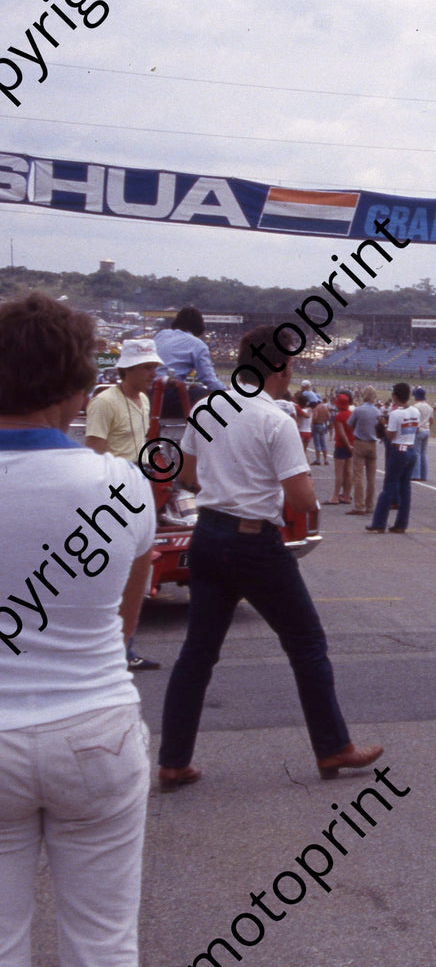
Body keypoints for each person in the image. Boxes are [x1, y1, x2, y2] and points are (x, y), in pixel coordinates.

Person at [0, 293, 154, 966]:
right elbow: (127, 615)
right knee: (103, 942)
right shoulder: (122, 485)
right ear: (75, 389)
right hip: (94, 724)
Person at [162, 323, 382, 788]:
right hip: (254, 541)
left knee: (197, 654)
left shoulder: (207, 408)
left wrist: (227, 484)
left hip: (209, 534)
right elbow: (302, 500)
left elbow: (188, 474)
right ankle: (332, 746)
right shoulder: (275, 420)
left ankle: (174, 759)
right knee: (307, 643)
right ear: (279, 366)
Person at [83, 337, 165, 672]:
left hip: (137, 487)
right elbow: (93, 452)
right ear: (127, 368)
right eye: (146, 367)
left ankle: (124, 647)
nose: (152, 374)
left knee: (135, 572)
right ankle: (107, 650)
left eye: (154, 367)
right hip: (112, 493)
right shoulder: (104, 402)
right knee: (110, 572)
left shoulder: (143, 400)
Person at [367, 383, 420, 534]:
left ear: (395, 396)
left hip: (399, 450)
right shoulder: (415, 411)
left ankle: (379, 522)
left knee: (388, 487)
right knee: (405, 488)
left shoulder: (396, 414)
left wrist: (384, 425)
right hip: (411, 449)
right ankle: (401, 523)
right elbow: (415, 430)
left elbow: (390, 436)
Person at [153, 305, 225, 394]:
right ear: (199, 326)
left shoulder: (161, 334)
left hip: (149, 388)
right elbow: (208, 379)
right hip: (168, 391)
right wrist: (227, 392)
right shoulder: (198, 345)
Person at [347, 386, 382, 516]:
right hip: (372, 443)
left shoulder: (358, 410)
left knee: (358, 475)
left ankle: (359, 505)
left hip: (360, 442)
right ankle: (369, 505)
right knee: (371, 477)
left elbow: (349, 424)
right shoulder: (377, 411)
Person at [325, 391, 354, 505]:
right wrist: (351, 446)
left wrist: (347, 445)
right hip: (352, 444)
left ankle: (335, 496)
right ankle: (347, 495)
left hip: (342, 445)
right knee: (348, 471)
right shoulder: (351, 414)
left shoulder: (339, 416)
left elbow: (342, 434)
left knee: (339, 472)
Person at [411, 386, 433, 482]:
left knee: (416, 452)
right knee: (423, 453)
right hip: (426, 429)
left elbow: (414, 419)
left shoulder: (416, 407)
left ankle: (416, 474)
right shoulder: (429, 407)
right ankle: (424, 474)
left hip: (419, 429)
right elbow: (431, 420)